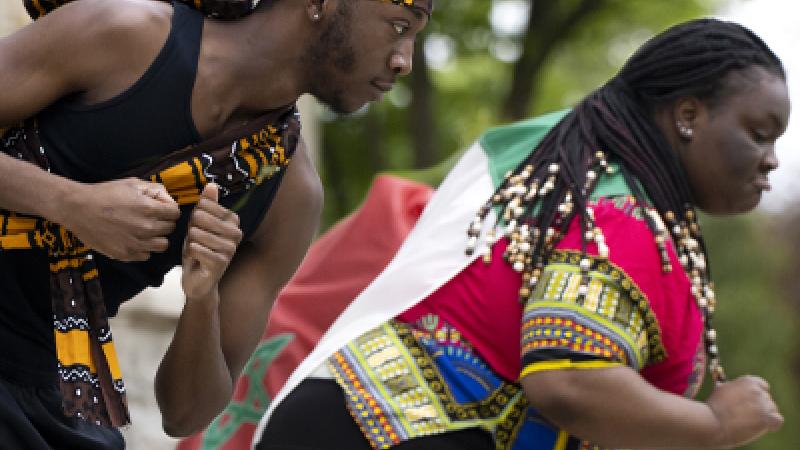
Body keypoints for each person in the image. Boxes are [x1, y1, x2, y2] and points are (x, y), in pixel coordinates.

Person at [252, 18, 790, 450]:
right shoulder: (619, 219)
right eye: (759, 134)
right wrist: (714, 424)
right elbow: (570, 382)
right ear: (689, 115)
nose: (770, 161)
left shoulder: (596, 191)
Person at [0, 0, 432, 448]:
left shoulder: (289, 196)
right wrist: (70, 203)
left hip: (53, 394)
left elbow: (186, 414)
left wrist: (202, 299)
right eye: (399, 26)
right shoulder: (124, 33)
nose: (404, 61)